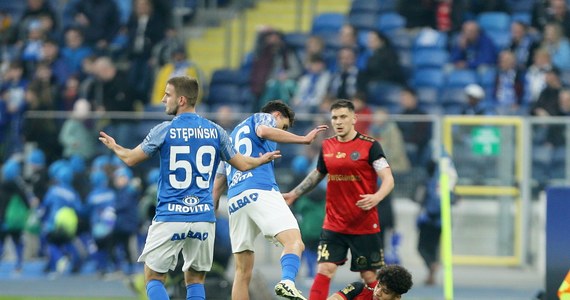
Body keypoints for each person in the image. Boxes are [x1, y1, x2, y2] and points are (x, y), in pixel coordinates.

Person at [98, 75, 280, 300]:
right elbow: (242, 164)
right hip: (203, 218)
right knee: (195, 280)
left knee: (153, 277)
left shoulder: (165, 130)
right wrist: (261, 159)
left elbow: (131, 159)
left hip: (170, 215)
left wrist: (116, 147)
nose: (164, 99)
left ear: (181, 99)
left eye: (168, 95)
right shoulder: (216, 131)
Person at [212, 100, 328, 300]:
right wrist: (303, 139)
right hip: (260, 189)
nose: (281, 131)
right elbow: (264, 131)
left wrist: (211, 215)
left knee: (242, 272)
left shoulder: (231, 139)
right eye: (283, 126)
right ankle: (287, 281)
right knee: (294, 242)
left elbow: (217, 184)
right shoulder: (262, 118)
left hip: (235, 200)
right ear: (277, 115)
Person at [283, 99, 395, 300]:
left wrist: (377, 196)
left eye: (343, 117)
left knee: (369, 275)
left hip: (364, 224)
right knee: (325, 268)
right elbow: (318, 174)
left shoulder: (370, 146)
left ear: (354, 118)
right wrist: (294, 193)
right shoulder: (327, 146)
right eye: (334, 117)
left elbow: (388, 179)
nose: (338, 121)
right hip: (334, 223)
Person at [327, 264, 413, 300]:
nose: (377, 293)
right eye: (378, 286)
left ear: (397, 297)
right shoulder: (359, 288)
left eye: (385, 291)